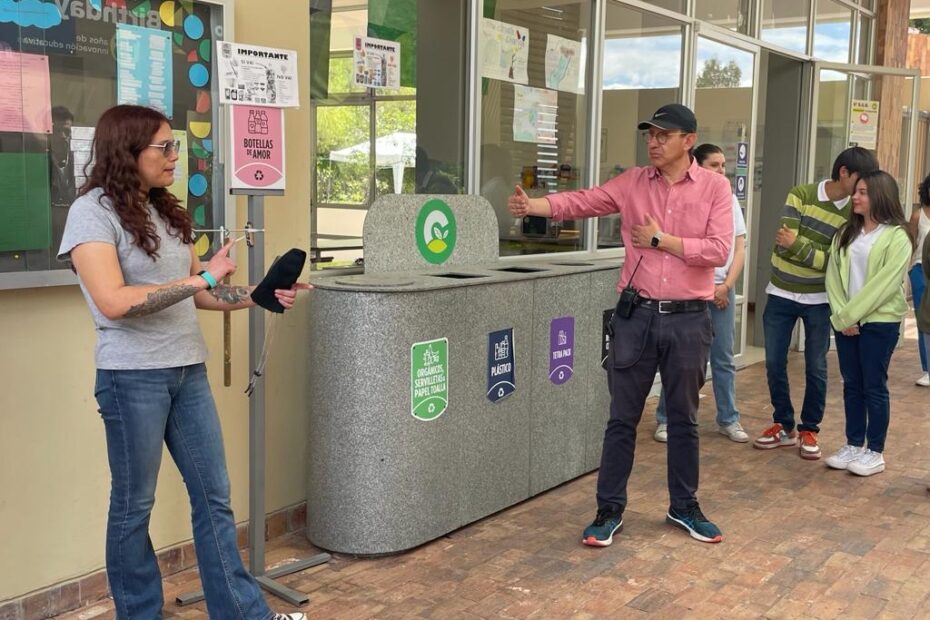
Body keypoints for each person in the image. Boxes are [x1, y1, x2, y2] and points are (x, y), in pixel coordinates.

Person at [57, 105, 308, 620]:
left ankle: (242, 614)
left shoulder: (166, 210)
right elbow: (114, 300)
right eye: (163, 148)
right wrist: (205, 279)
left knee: (214, 497)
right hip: (131, 380)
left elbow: (201, 295)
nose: (175, 156)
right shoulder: (91, 213)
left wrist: (258, 295)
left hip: (186, 371)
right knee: (134, 508)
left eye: (175, 146)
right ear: (128, 153)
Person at [509, 103, 733, 545]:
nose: (653, 142)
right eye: (650, 135)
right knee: (621, 419)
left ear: (688, 140)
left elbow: (719, 250)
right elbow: (585, 200)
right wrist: (535, 204)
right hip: (637, 318)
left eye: (663, 135)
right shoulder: (633, 182)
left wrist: (660, 241)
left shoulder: (715, 188)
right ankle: (608, 510)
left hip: (689, 320)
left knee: (685, 420)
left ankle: (684, 505)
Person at [753, 147, 879, 460]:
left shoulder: (854, 213)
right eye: (861, 182)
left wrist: (798, 244)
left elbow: (838, 264)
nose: (866, 191)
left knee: (817, 366)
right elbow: (782, 248)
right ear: (844, 173)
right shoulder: (801, 195)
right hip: (781, 292)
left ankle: (810, 427)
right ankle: (784, 424)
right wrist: (812, 252)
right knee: (773, 363)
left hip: (821, 300)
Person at [654, 143, 748, 444]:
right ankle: (667, 418)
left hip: (722, 290)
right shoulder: (684, 198)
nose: (722, 171)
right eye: (715, 165)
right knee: (680, 360)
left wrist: (726, 286)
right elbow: (680, 248)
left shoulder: (729, 199)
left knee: (722, 359)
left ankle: (728, 419)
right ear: (698, 167)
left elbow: (740, 248)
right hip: (691, 291)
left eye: (724, 165)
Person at [823, 170, 912, 476]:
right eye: (856, 191)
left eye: (863, 192)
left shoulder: (897, 237)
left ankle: (875, 451)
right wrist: (842, 316)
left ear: (880, 196)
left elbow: (884, 285)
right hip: (847, 321)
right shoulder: (845, 233)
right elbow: (832, 278)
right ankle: (852, 443)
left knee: (874, 385)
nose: (856, 197)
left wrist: (850, 316)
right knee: (852, 384)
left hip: (879, 322)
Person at [908, 174, 930, 386]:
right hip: (920, 270)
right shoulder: (917, 216)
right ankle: (928, 369)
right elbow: (911, 243)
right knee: (924, 320)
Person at [50, 105, 77, 252]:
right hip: (49, 217)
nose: (62, 136)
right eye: (57, 131)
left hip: (74, 218)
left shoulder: (79, 157)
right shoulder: (40, 157)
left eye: (66, 131)